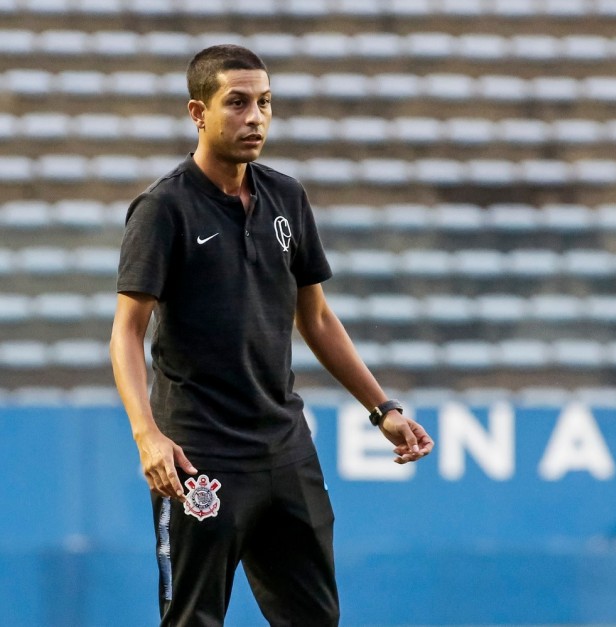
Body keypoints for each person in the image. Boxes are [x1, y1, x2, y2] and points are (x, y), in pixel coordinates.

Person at [110, 44, 434, 626]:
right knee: (194, 619)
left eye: (264, 103)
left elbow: (316, 319)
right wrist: (147, 437)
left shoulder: (287, 197)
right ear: (197, 112)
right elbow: (126, 334)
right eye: (236, 103)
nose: (254, 117)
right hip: (198, 456)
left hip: (284, 448)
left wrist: (381, 407)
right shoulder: (164, 210)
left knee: (314, 619)